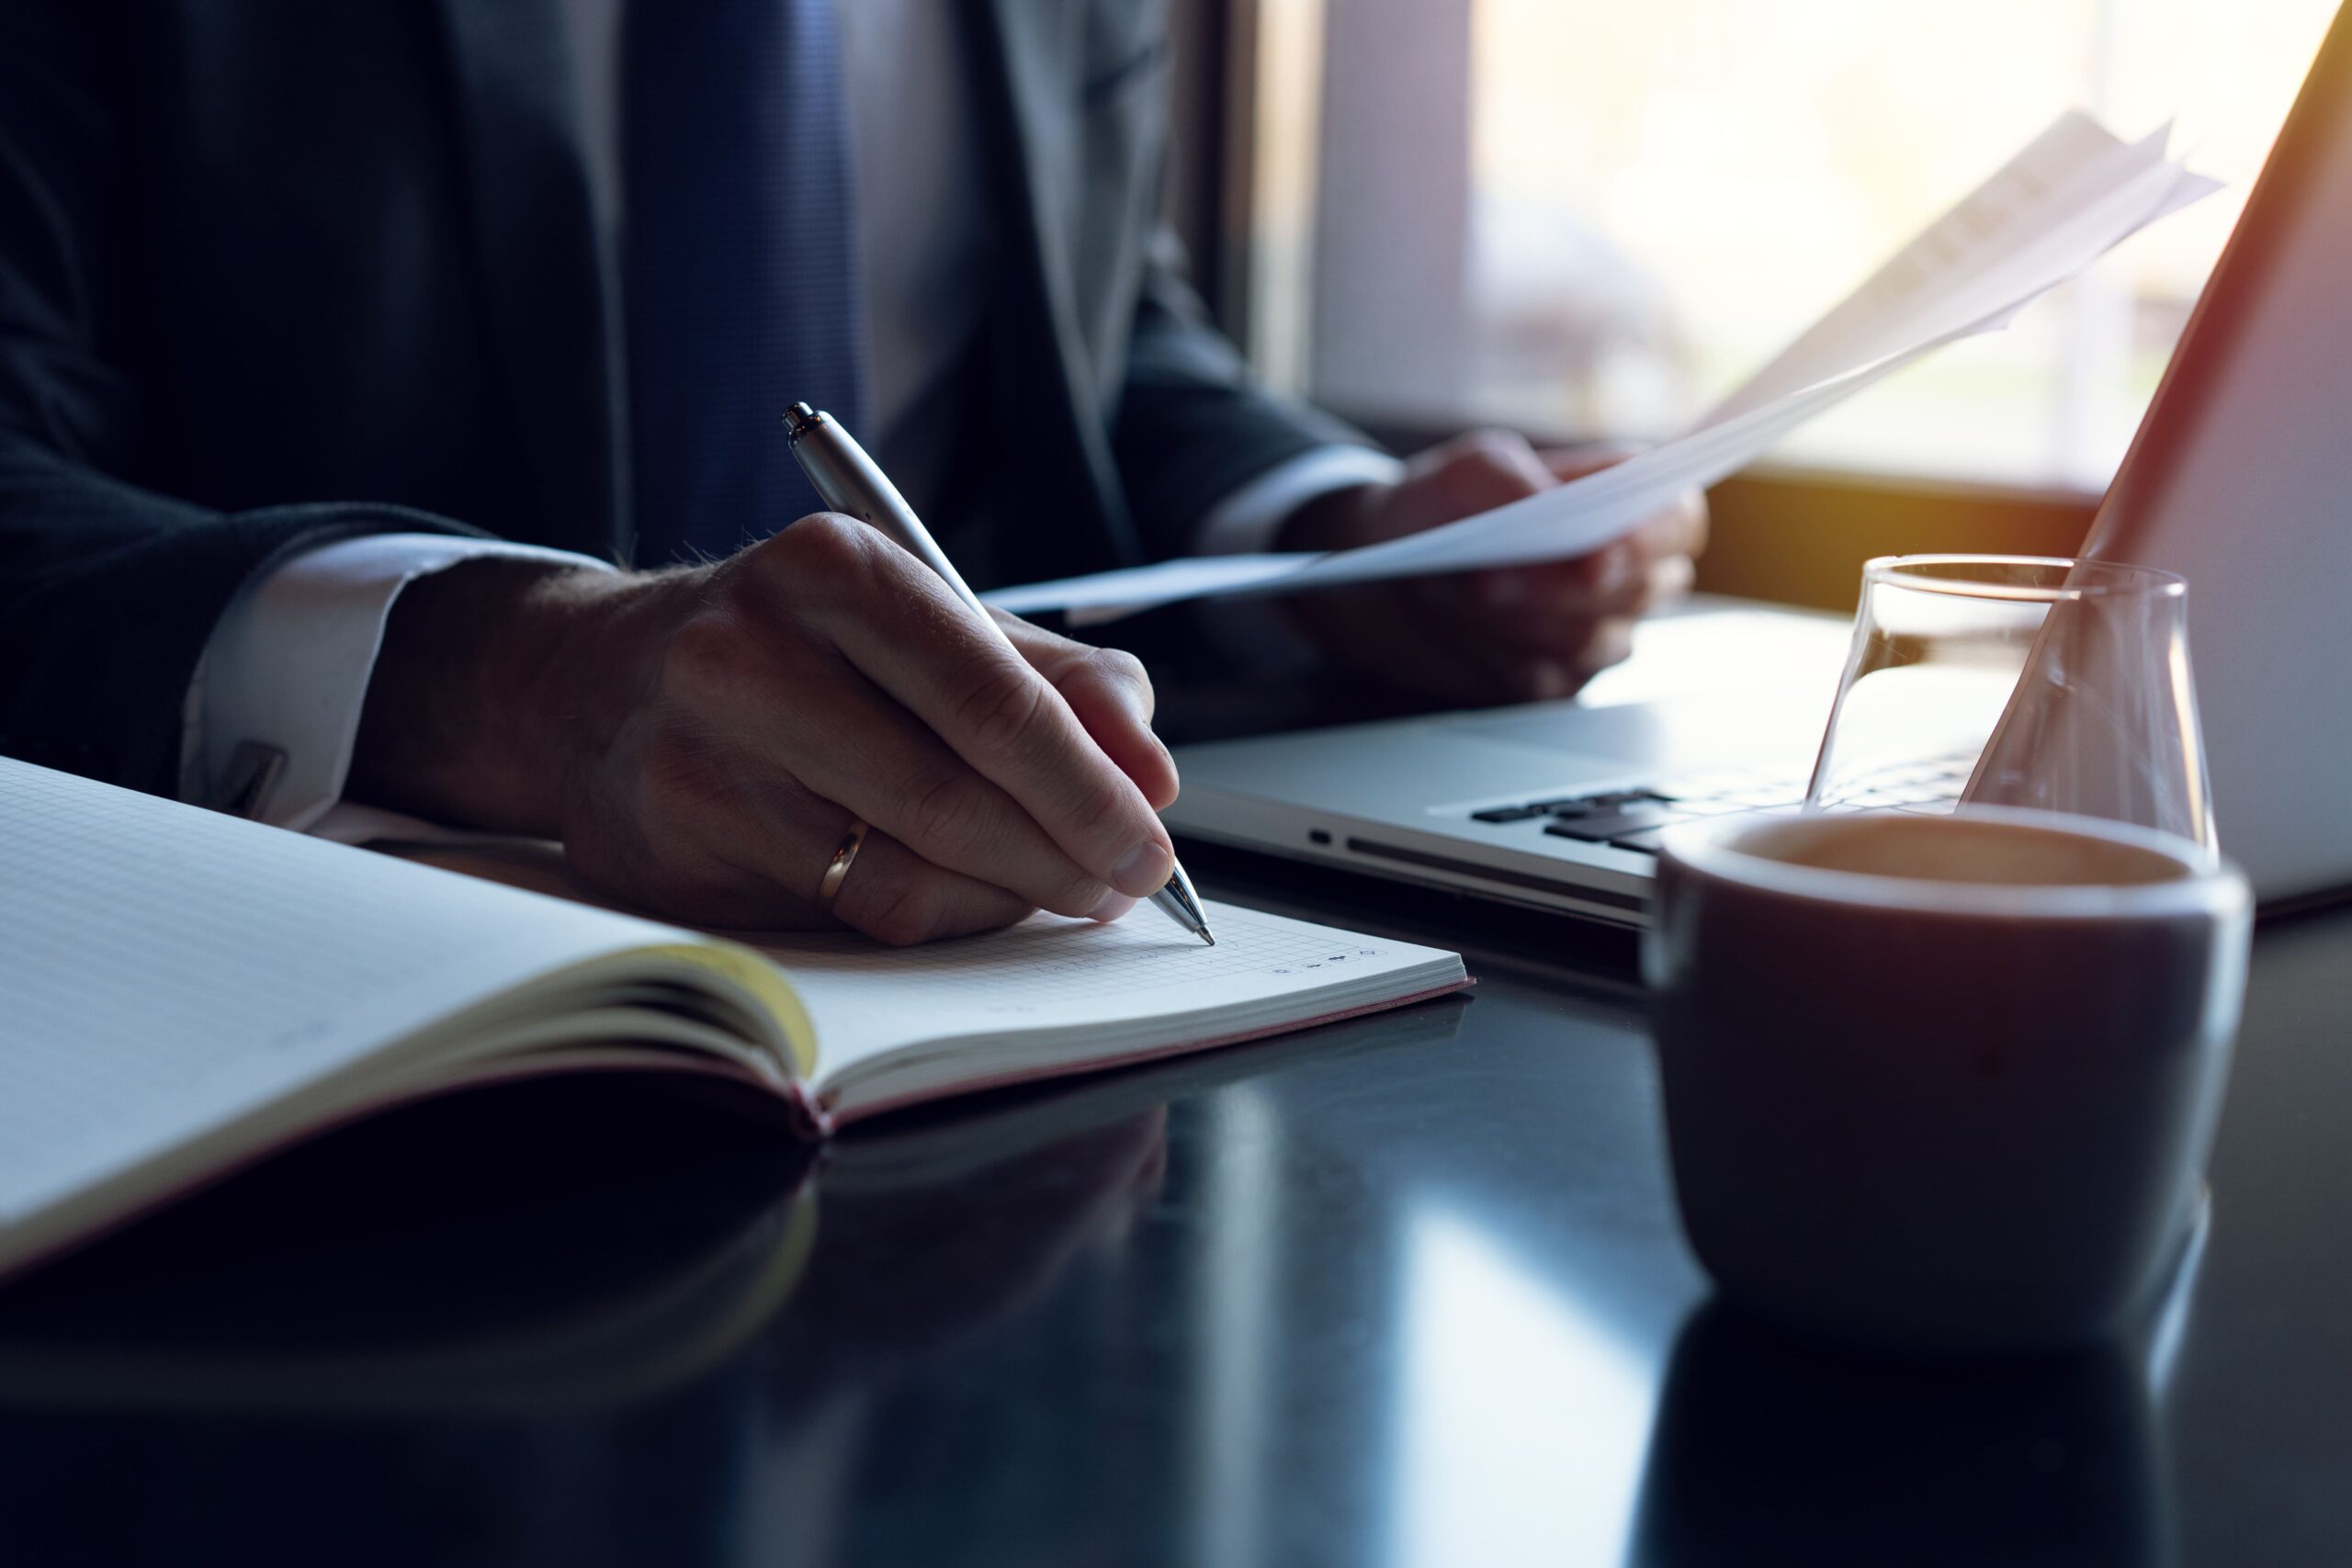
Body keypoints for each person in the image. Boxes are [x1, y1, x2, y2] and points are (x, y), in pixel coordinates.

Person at [0, 1, 1704, 944]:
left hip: (979, 989)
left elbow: (1101, 334)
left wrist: (1344, 531)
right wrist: (510, 677)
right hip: (317, 992)